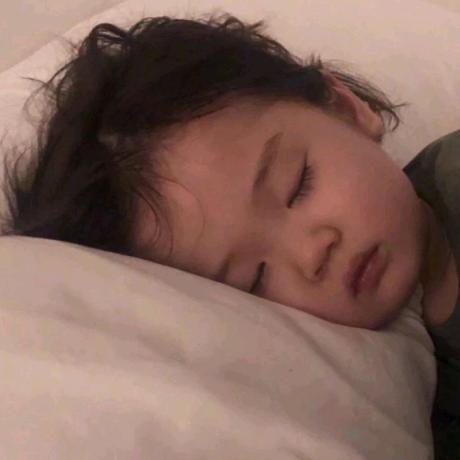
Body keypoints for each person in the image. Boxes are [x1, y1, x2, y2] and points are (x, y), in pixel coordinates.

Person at [0, 14, 458, 458]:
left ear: (346, 108)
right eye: (255, 278)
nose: (313, 252)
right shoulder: (381, 394)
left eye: (297, 184)